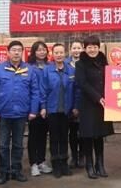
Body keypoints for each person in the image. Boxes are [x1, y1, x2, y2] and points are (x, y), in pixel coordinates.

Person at [0, 40, 39, 185]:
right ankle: (4, 172)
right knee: (3, 145)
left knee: (18, 145)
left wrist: (33, 110)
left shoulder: (29, 70)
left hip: (21, 114)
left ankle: (17, 171)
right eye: (14, 50)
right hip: (3, 114)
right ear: (8, 52)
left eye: (19, 50)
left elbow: (35, 92)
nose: (16, 53)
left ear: (22, 52)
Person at [75, 35, 114, 179]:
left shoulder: (103, 61)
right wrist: (98, 98)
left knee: (99, 135)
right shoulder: (80, 64)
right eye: (89, 47)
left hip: (103, 105)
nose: (92, 50)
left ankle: (100, 165)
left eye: (95, 47)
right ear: (85, 48)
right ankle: (89, 166)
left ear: (99, 47)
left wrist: (120, 72)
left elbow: (110, 78)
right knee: (88, 136)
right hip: (88, 104)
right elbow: (82, 83)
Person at [40, 43, 77, 179]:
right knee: (54, 138)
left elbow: (75, 90)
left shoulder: (71, 70)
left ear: (65, 53)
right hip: (52, 109)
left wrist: (75, 106)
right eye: (56, 52)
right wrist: (43, 107)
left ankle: (64, 164)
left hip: (67, 110)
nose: (59, 55)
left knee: (64, 137)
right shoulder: (47, 70)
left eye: (61, 52)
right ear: (52, 54)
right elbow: (43, 90)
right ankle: (56, 164)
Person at [27, 41, 52, 177]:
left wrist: (46, 106)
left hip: (48, 106)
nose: (42, 52)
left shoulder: (50, 66)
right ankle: (33, 164)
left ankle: (41, 161)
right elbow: (34, 89)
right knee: (33, 136)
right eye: (39, 50)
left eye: (44, 50)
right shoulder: (30, 67)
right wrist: (39, 107)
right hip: (34, 107)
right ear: (34, 52)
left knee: (43, 135)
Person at [66, 40, 84, 169]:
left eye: (78, 48)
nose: (76, 50)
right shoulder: (65, 64)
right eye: (74, 48)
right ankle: (74, 156)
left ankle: (82, 155)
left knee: (83, 132)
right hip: (69, 103)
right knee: (72, 132)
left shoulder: (86, 63)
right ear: (70, 50)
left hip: (84, 103)